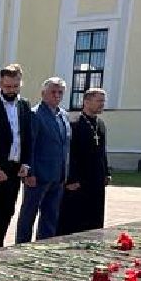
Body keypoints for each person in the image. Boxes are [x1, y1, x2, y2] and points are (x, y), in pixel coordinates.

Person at [0, 63, 35, 250]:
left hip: (15, 168)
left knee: (7, 210)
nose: (11, 90)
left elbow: (28, 136)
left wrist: (26, 163)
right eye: (7, 87)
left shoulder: (25, 105)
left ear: (20, 84)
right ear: (0, 85)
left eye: (15, 87)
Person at [16, 77, 71, 243]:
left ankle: (44, 244)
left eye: (60, 92)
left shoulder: (63, 115)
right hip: (38, 176)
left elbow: (65, 145)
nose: (57, 95)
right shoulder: (35, 114)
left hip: (58, 175)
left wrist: (65, 172)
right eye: (53, 92)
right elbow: (30, 145)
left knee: (51, 214)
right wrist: (29, 172)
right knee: (29, 214)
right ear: (43, 93)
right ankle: (22, 245)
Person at [59, 87, 112, 235]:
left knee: (94, 216)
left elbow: (102, 151)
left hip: (96, 178)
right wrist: (71, 178)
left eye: (103, 101)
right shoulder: (74, 123)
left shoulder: (100, 124)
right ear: (86, 101)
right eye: (99, 101)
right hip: (78, 180)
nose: (102, 104)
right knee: (74, 218)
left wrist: (106, 172)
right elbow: (69, 154)